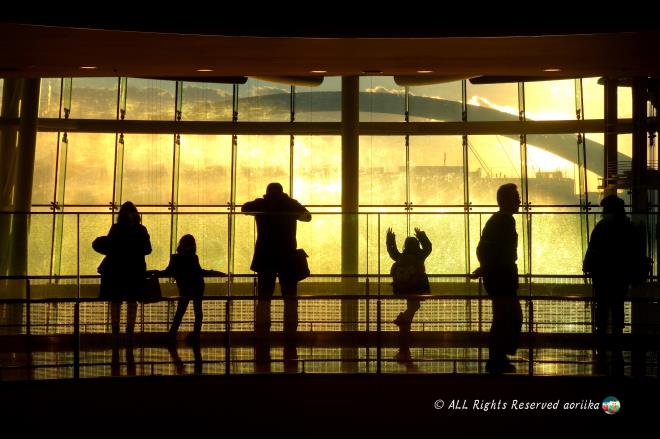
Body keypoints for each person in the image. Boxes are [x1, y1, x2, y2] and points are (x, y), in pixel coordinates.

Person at [241, 182, 311, 338]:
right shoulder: (291, 205)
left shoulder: (262, 204)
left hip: (266, 255)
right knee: (290, 296)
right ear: (282, 192)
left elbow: (244, 208)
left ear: (268, 192)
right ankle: (291, 331)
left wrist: (264, 204)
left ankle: (263, 330)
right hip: (288, 256)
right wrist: (291, 210)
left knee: (264, 296)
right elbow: (308, 217)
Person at [471, 184, 522, 374]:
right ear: (506, 200)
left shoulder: (498, 221)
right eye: (516, 197)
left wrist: (485, 268)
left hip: (498, 277)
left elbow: (484, 249)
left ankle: (498, 357)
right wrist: (489, 267)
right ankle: (498, 357)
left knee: (503, 317)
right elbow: (494, 251)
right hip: (502, 278)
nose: (519, 201)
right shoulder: (504, 221)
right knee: (508, 317)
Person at [583, 195, 644, 346]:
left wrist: (588, 266)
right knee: (618, 305)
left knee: (602, 307)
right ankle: (617, 339)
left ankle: (602, 340)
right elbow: (635, 252)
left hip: (603, 276)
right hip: (620, 276)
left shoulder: (602, 227)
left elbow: (593, 250)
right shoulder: (628, 228)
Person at [93, 201, 151, 341]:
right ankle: (129, 332)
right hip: (135, 272)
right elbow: (148, 249)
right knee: (132, 301)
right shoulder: (141, 230)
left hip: (116, 273)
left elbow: (109, 246)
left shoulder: (116, 228)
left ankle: (115, 332)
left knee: (116, 301)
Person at [160, 234, 225, 342]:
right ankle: (195, 334)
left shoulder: (175, 258)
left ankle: (172, 334)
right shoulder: (193, 257)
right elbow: (199, 272)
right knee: (198, 311)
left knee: (180, 311)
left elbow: (168, 272)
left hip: (185, 287)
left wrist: (154, 273)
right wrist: (214, 272)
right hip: (197, 285)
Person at [386, 227, 432, 329]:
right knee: (415, 306)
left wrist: (390, 239)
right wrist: (421, 235)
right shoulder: (420, 256)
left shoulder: (400, 257)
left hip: (403, 287)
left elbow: (392, 250)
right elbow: (428, 247)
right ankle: (402, 320)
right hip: (417, 286)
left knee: (413, 306)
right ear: (417, 245)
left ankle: (404, 323)